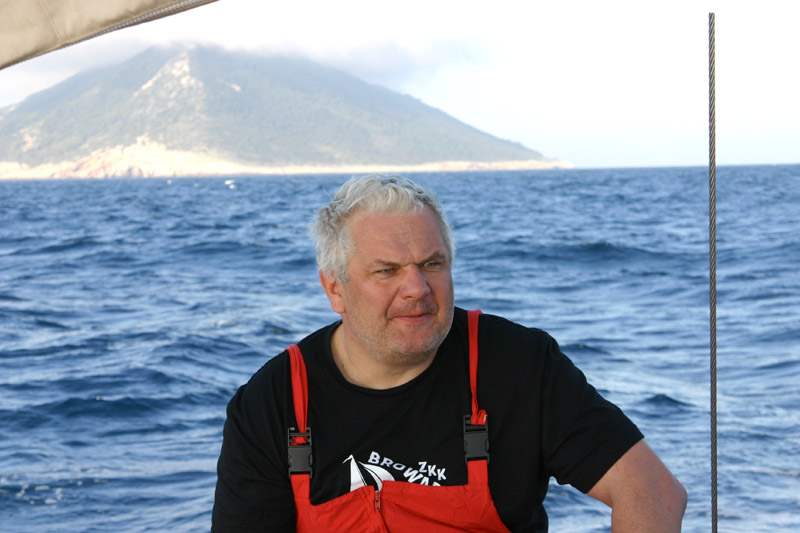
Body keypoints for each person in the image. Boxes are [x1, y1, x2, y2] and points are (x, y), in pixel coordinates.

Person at [212, 174, 687, 532]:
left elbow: (653, 492)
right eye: (387, 271)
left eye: (432, 264)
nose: (417, 289)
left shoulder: (519, 364)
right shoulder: (273, 403)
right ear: (334, 289)